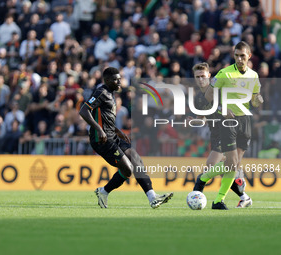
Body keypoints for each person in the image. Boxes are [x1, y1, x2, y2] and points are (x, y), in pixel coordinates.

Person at [79, 67, 173, 209]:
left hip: (112, 136)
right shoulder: (101, 92)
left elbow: (105, 118)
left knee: (136, 159)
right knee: (128, 170)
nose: (119, 82)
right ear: (108, 80)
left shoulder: (111, 94)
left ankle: (153, 197)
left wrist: (118, 131)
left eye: (120, 79)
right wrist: (99, 130)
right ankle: (103, 192)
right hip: (102, 140)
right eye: (116, 79)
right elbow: (83, 110)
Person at [194, 41, 263, 209]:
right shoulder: (224, 73)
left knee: (234, 164)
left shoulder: (253, 76)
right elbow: (209, 97)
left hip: (245, 121)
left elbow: (255, 98)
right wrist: (221, 108)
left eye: (242, 56)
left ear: (249, 56)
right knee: (231, 163)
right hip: (228, 122)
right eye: (237, 55)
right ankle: (217, 197)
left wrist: (258, 100)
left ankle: (223, 195)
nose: (239, 59)